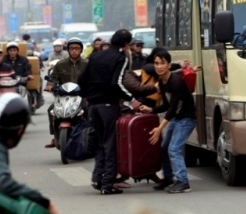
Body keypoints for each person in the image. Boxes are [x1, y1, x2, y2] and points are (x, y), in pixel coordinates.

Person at [78, 29, 142, 195]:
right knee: (111, 145)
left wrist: (88, 96)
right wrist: (132, 99)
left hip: (93, 107)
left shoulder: (96, 55)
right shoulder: (119, 58)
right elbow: (116, 83)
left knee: (101, 143)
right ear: (126, 44)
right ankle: (108, 184)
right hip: (108, 106)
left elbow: (81, 79)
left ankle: (98, 179)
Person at [140, 49, 197, 193]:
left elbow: (172, 109)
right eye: (156, 63)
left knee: (174, 149)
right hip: (177, 118)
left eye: (162, 63)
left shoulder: (176, 82)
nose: (159, 66)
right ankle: (168, 178)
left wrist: (159, 128)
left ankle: (183, 182)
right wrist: (151, 109)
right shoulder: (162, 81)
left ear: (169, 65)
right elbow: (166, 105)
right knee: (165, 148)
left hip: (186, 119)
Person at [44, 37, 88, 148]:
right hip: (64, 96)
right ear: (68, 50)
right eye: (71, 48)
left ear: (81, 50)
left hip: (81, 96)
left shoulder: (87, 64)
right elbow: (53, 78)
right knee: (51, 110)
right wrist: (50, 86)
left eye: (77, 48)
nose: (74, 51)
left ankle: (90, 135)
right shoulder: (60, 64)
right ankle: (55, 136)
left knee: (88, 110)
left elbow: (92, 78)